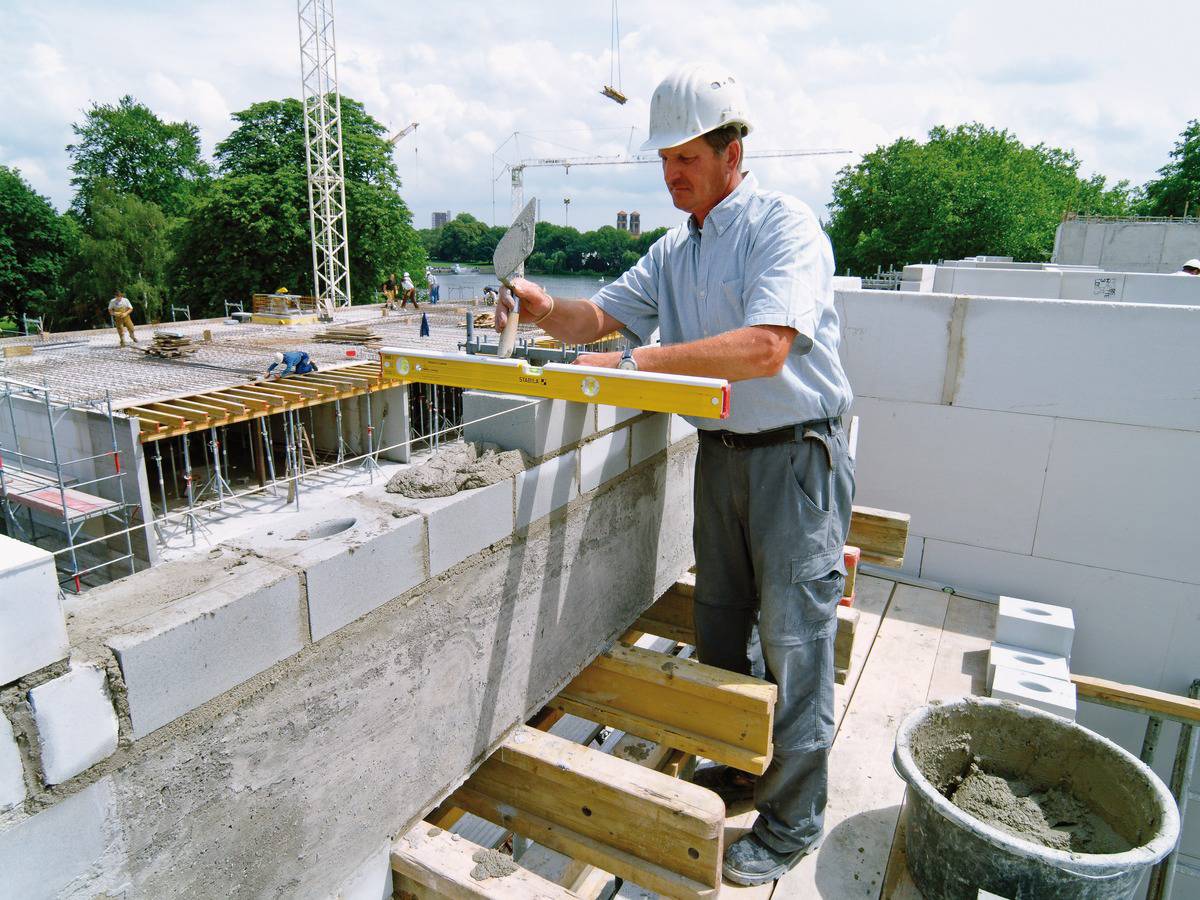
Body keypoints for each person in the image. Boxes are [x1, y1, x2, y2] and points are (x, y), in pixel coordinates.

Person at [495, 63, 854, 887]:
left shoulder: (781, 227)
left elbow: (767, 347)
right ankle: (736, 768)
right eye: (664, 162)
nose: (671, 175)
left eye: (686, 158)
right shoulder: (675, 248)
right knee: (723, 628)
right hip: (723, 457)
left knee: (795, 640)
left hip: (796, 456)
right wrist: (549, 310)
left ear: (733, 152)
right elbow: (601, 317)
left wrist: (641, 359)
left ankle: (795, 818)